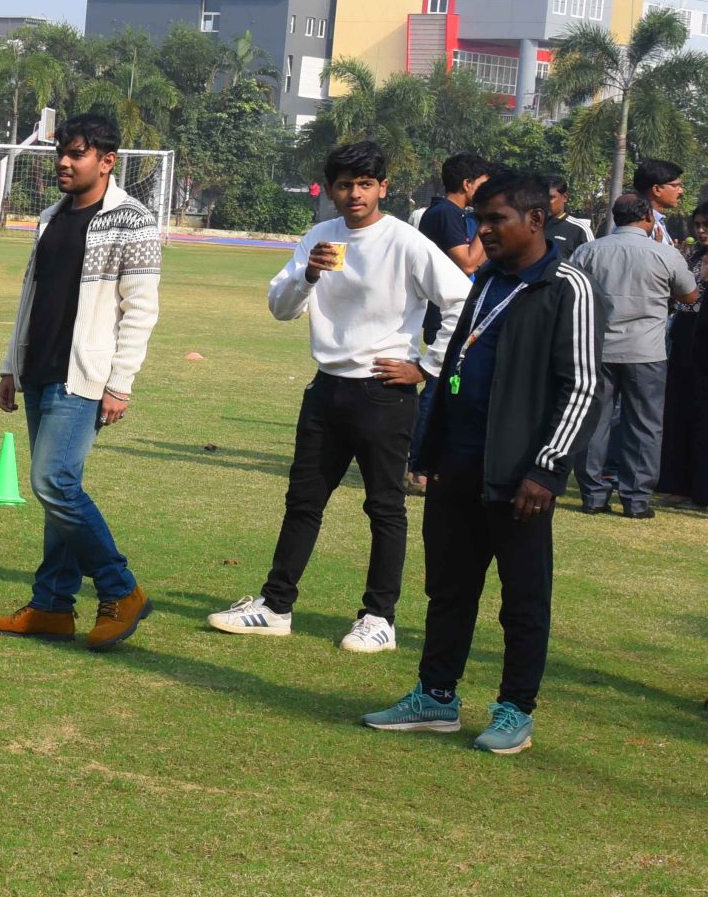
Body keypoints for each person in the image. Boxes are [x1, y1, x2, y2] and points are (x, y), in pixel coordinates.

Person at [364, 172, 599, 755]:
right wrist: (431, 449)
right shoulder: (488, 278)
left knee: (522, 598)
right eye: (479, 219)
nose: (483, 231)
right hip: (459, 462)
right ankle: (436, 696)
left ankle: (516, 709)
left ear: (536, 220)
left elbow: (583, 387)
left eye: (496, 220)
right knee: (448, 588)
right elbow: (455, 366)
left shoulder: (568, 286)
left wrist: (546, 470)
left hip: (519, 474)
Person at [208, 141, 472, 653]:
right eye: (345, 185)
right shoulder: (319, 237)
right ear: (330, 190)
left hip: (384, 393)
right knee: (303, 502)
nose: (355, 194)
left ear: (383, 188)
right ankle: (276, 606)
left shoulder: (404, 240)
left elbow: (461, 299)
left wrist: (426, 366)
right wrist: (308, 274)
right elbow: (281, 308)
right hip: (326, 387)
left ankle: (379, 617)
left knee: (384, 507)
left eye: (366, 184)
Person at [0, 112, 163, 649]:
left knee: (53, 483)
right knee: (59, 491)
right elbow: (31, 297)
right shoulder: (50, 217)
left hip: (84, 376)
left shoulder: (132, 221)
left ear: (107, 162)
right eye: (61, 152)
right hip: (39, 369)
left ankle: (121, 589)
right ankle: (52, 607)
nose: (63, 161)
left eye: (77, 153)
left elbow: (140, 309)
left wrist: (121, 382)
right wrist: (10, 366)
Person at [568, 193, 700, 518]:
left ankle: (593, 495)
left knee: (593, 422)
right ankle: (636, 499)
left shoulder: (588, 251)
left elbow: (570, 290)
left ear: (615, 217)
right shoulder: (665, 254)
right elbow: (690, 294)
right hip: (646, 350)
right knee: (644, 425)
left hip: (598, 348)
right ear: (648, 218)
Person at [657, 206, 708, 504]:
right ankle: (677, 485)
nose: (701, 231)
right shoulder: (693, 257)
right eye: (698, 225)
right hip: (685, 332)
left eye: (706, 225)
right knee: (679, 409)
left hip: (703, 334)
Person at [416, 152, 490, 354]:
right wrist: (487, 221)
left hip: (447, 309)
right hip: (444, 313)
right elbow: (467, 264)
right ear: (467, 184)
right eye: (483, 185)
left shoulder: (451, 213)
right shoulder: (446, 213)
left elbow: (477, 261)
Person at [634, 158, 686, 241]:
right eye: (675, 186)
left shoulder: (657, 221)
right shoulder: (639, 224)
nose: (681, 191)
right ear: (657, 189)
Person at [544, 176, 590, 257]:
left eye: (550, 198)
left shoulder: (579, 229)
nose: (545, 202)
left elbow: (591, 259)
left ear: (564, 197)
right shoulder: (532, 226)